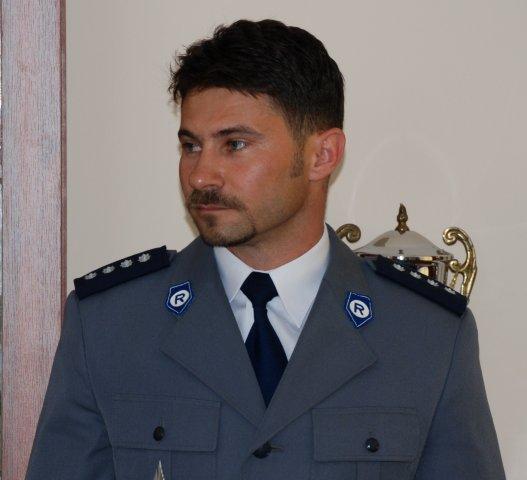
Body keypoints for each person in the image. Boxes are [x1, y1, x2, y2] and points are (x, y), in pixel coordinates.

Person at [26, 18, 506, 480]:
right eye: (191, 146)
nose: (200, 175)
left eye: (234, 144)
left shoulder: (426, 336)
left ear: (322, 155)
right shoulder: (111, 325)